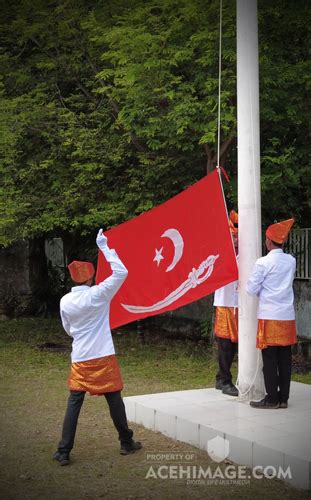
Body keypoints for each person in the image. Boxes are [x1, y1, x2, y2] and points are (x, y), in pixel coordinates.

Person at [53, 229, 142, 466]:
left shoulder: (65, 301)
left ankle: (64, 450)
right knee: (114, 399)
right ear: (90, 278)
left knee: (74, 402)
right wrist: (104, 246)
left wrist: (80, 337)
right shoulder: (98, 294)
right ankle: (126, 442)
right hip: (102, 354)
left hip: (80, 356)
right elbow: (122, 272)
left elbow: (68, 329)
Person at [246, 218, 297, 409]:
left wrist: (263, 291)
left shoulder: (262, 263)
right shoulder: (291, 261)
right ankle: (283, 398)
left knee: (269, 359)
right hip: (287, 316)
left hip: (269, 315)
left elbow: (251, 289)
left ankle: (272, 399)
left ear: (268, 241)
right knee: (285, 358)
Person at [213, 210, 239, 397]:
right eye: (233, 236)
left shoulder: (246, 254)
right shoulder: (221, 254)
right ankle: (225, 380)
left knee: (237, 344)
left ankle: (221, 377)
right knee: (225, 343)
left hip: (240, 304)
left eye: (237, 237)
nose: (236, 240)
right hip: (224, 303)